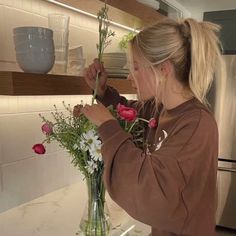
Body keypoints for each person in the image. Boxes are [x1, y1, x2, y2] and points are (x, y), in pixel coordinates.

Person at [73, 18, 225, 236]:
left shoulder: (196, 125)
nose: (129, 76)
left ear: (163, 69)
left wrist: (107, 126)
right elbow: (130, 112)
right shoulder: (160, 109)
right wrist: (103, 92)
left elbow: (152, 192)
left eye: (136, 67)